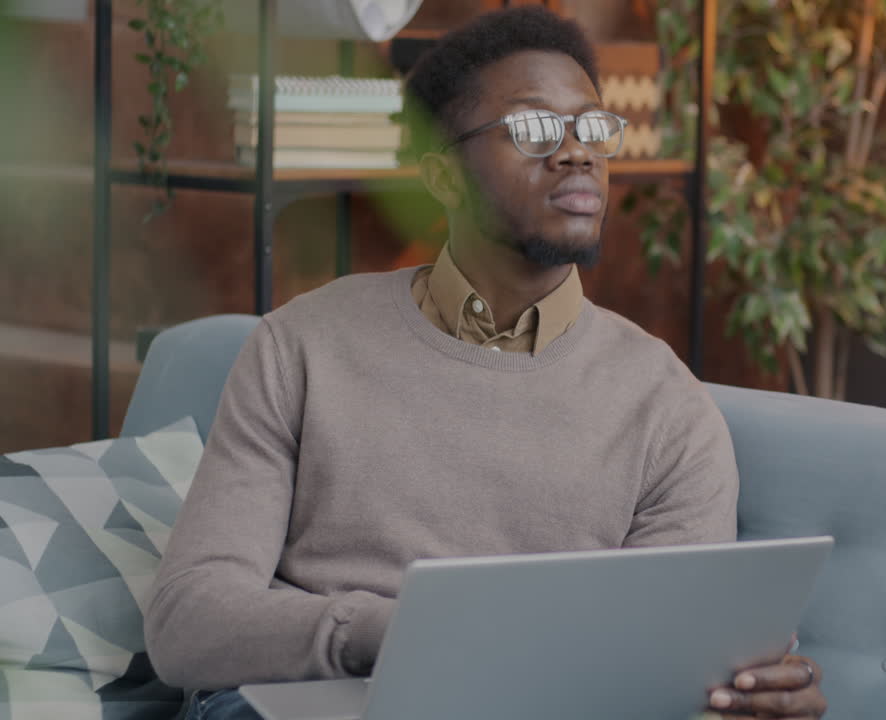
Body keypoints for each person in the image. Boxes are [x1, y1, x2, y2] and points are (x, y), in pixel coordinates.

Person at [144, 7, 828, 719]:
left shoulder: (668, 408)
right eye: (533, 129)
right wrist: (397, 630)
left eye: (593, 127)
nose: (576, 153)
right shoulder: (300, 345)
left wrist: (738, 694)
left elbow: (659, 666)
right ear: (442, 177)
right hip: (308, 701)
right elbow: (188, 623)